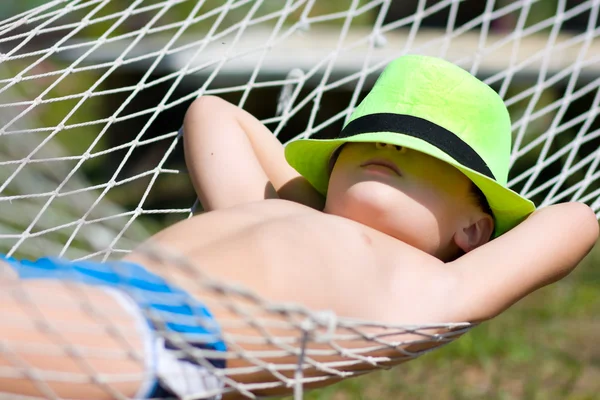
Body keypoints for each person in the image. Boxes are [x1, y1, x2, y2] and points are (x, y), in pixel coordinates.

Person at [0, 55, 597, 400]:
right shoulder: (276, 209)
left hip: (161, 338)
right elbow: (215, 114)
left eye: (424, 155)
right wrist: (326, 200)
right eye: (369, 139)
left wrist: (345, 202)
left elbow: (574, 220)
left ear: (473, 230)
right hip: (80, 287)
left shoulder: (433, 292)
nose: (387, 145)